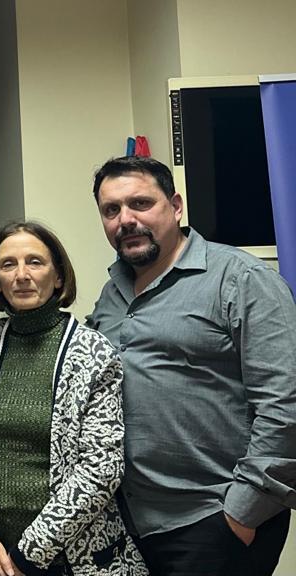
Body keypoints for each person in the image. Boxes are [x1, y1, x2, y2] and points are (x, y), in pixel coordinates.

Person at [87, 156, 296, 576]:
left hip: (212, 520)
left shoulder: (240, 278)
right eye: (111, 210)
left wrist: (242, 512)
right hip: (131, 525)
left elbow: (285, 402)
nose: (125, 220)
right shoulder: (112, 293)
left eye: (141, 203)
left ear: (176, 206)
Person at [0, 221, 147, 576]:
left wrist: (30, 553)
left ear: (58, 277)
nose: (21, 275)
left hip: (75, 561)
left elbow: (101, 467)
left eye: (35, 262)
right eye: (8, 265)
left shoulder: (93, 351)